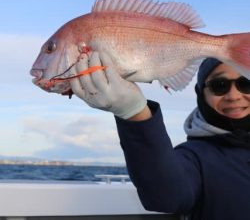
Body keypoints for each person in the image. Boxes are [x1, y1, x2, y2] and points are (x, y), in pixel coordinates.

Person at [70, 51, 250, 220]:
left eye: (246, 83)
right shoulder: (195, 158)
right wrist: (134, 112)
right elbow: (167, 195)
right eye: (219, 86)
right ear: (201, 94)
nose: (233, 96)